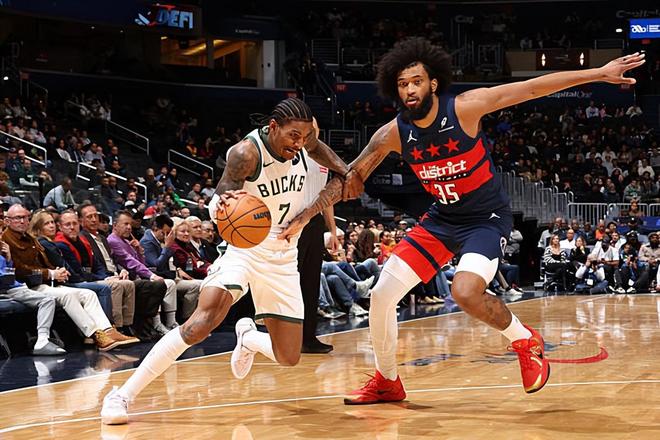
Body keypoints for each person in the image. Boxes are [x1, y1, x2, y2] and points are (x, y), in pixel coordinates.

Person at [280, 38, 645, 403]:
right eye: (403, 84)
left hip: (485, 218)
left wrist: (599, 73)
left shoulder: (465, 108)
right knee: (381, 294)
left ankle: (525, 340)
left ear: (433, 83)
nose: (410, 89)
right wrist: (304, 217)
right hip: (442, 218)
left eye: (417, 81)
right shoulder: (392, 133)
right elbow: (349, 177)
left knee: (465, 291)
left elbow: (532, 87)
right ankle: (387, 380)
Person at [101, 97, 362, 424]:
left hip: (284, 254)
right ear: (273, 127)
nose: (299, 143)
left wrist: (345, 171)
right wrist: (227, 210)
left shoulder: (306, 144)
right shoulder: (246, 153)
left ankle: (248, 338)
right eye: (293, 136)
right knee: (202, 322)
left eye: (305, 137)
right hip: (245, 245)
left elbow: (326, 157)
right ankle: (122, 394)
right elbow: (221, 202)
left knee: (289, 356)